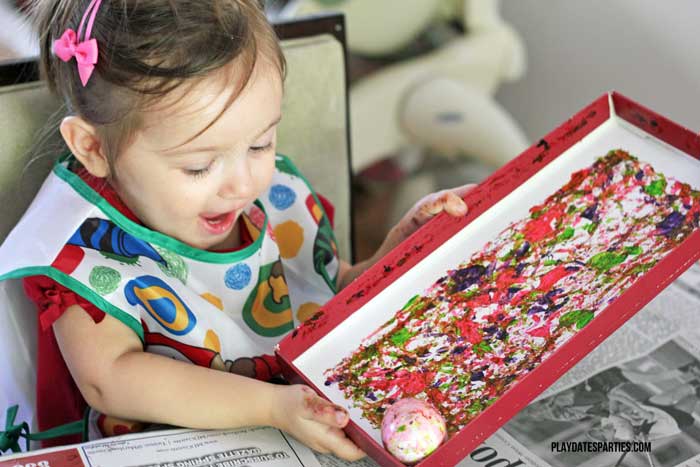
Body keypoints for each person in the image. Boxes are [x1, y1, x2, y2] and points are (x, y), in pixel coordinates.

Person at [0, 0, 475, 460]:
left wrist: (401, 250)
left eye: (260, 143)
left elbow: (323, 299)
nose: (243, 184)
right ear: (93, 148)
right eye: (199, 167)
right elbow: (111, 379)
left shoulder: (267, 197)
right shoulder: (83, 249)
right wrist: (271, 407)